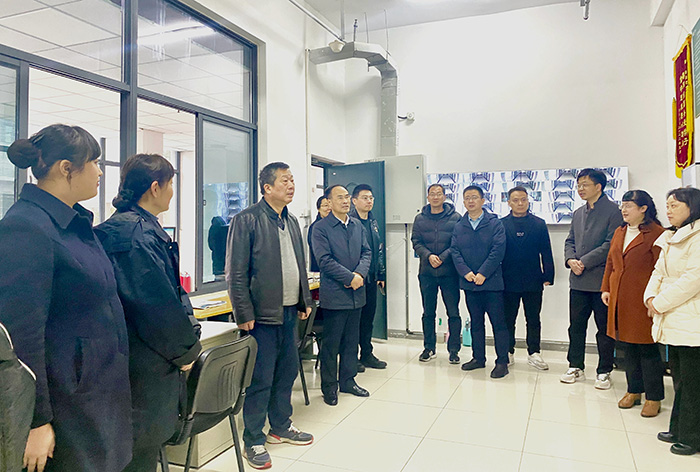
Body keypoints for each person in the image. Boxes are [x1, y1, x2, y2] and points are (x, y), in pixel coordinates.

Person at [0, 125, 132, 472]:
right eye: (94, 162)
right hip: (66, 406)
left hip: (96, 391)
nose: (100, 172)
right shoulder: (26, 227)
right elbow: (19, 337)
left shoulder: (74, 223)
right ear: (65, 168)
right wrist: (36, 421)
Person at [94, 154, 202, 472]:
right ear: (155, 188)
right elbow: (157, 306)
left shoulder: (128, 229)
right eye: (170, 185)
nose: (172, 192)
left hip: (128, 361)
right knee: (138, 453)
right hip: (142, 365)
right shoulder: (135, 236)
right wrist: (186, 351)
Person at [226, 162, 314, 469]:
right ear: (267, 187)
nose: (291, 185)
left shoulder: (291, 221)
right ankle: (253, 438)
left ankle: (280, 426)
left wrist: (304, 299)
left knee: (286, 372)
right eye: (284, 181)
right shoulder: (246, 219)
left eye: (292, 180)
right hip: (261, 316)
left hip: (289, 311)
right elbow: (235, 272)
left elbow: (299, 265)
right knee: (260, 378)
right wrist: (242, 311)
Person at [645, 187, 700, 456]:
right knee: (680, 380)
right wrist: (650, 297)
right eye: (667, 205)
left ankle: (692, 438)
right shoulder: (671, 235)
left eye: (675, 205)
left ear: (693, 207)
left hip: (691, 317)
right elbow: (658, 272)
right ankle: (678, 429)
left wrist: (660, 303)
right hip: (672, 315)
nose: (668, 210)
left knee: (693, 383)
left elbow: (693, 279)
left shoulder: (698, 237)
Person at [600, 190, 665, 417]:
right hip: (620, 297)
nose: (624, 210)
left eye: (629, 205)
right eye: (623, 205)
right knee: (627, 346)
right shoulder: (620, 231)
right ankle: (634, 390)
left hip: (643, 299)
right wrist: (606, 288)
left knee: (647, 348)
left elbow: (662, 270)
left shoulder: (657, 234)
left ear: (643, 208)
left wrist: (656, 298)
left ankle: (653, 397)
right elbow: (611, 262)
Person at [561, 168, 623, 389]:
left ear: (599, 186)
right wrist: (570, 260)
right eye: (578, 185)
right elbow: (570, 240)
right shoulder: (578, 212)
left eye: (585, 185)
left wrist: (583, 261)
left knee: (604, 329)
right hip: (578, 280)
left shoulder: (614, 211)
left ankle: (604, 370)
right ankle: (575, 365)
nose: (580, 189)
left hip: (601, 281)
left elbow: (610, 245)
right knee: (576, 326)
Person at [312, 184, 372, 405]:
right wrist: (349, 278)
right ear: (329, 202)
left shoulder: (357, 225)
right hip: (335, 295)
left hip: (357, 294)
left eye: (347, 197)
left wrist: (359, 274)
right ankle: (329, 386)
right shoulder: (321, 228)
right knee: (332, 344)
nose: (345, 201)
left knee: (351, 341)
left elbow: (367, 252)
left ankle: (348, 380)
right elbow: (324, 260)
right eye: (340, 197)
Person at [451, 185, 510, 379]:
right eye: (467, 198)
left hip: (492, 283)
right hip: (469, 283)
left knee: (498, 324)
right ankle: (478, 358)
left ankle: (502, 362)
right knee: (476, 322)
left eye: (474, 197)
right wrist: (466, 272)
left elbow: (498, 250)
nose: (471, 201)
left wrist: (483, 273)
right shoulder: (459, 225)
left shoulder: (494, 223)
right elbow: (455, 251)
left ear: (483, 200)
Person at [501, 186, 554, 370]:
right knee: (508, 319)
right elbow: (496, 253)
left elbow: (546, 251)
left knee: (533, 318)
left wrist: (548, 275)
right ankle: (508, 351)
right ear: (509, 203)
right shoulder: (501, 224)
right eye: (515, 200)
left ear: (528, 201)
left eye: (523, 199)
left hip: (533, 279)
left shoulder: (539, 224)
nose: (520, 203)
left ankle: (534, 353)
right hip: (507, 279)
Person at [411, 183, 462, 363]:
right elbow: (416, 241)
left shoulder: (456, 217)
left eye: (439, 193)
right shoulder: (420, 218)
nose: (435, 197)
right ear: (428, 197)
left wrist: (443, 256)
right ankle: (429, 348)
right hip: (427, 272)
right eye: (432, 194)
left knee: (453, 313)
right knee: (428, 312)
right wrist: (428, 256)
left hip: (450, 273)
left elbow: (457, 242)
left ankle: (454, 350)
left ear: (444, 196)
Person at [350, 184, 387, 370]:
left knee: (368, 319)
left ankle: (366, 353)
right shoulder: (350, 222)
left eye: (371, 198)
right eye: (365, 198)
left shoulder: (373, 222)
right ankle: (351, 357)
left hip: (371, 279)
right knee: (355, 321)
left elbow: (378, 250)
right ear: (354, 201)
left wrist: (381, 273)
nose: (369, 201)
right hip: (356, 279)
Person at [308, 195, 331, 273]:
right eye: (325, 205)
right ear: (318, 209)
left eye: (330, 205)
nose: (329, 208)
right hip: (320, 269)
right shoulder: (315, 227)